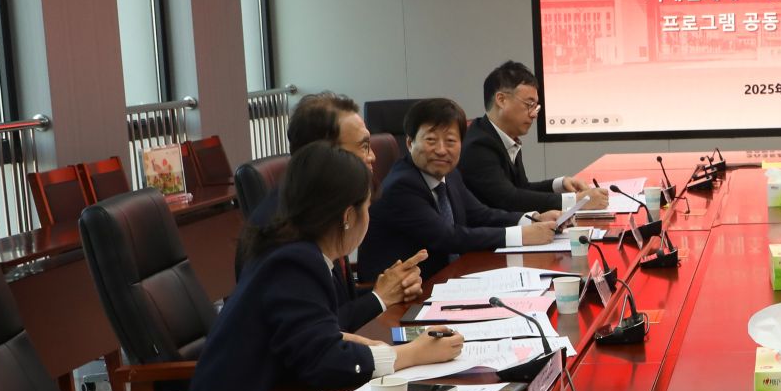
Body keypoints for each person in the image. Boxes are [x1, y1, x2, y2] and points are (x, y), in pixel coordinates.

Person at [170, 144, 463, 391]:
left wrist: (356, 342)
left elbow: (303, 337)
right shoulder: (296, 262)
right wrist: (412, 354)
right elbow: (322, 360)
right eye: (367, 207)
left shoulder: (291, 250)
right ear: (348, 216)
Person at [240, 90, 423, 326]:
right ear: (325, 154)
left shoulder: (325, 202)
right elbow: (314, 326)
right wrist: (379, 298)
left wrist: (391, 289)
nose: (373, 156)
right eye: (364, 146)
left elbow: (333, 302)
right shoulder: (282, 231)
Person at [360, 97, 559, 286]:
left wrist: (532, 219)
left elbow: (480, 214)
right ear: (410, 143)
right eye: (431, 140)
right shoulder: (402, 185)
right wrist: (522, 235)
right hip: (406, 293)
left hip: (446, 279)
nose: (441, 150)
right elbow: (447, 237)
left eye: (450, 141)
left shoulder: (450, 174)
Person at [460, 61, 608, 214]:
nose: (534, 114)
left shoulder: (505, 137)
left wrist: (560, 184)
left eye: (536, 106)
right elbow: (508, 199)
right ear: (501, 100)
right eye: (529, 104)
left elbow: (521, 188)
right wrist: (576, 201)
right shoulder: (478, 145)